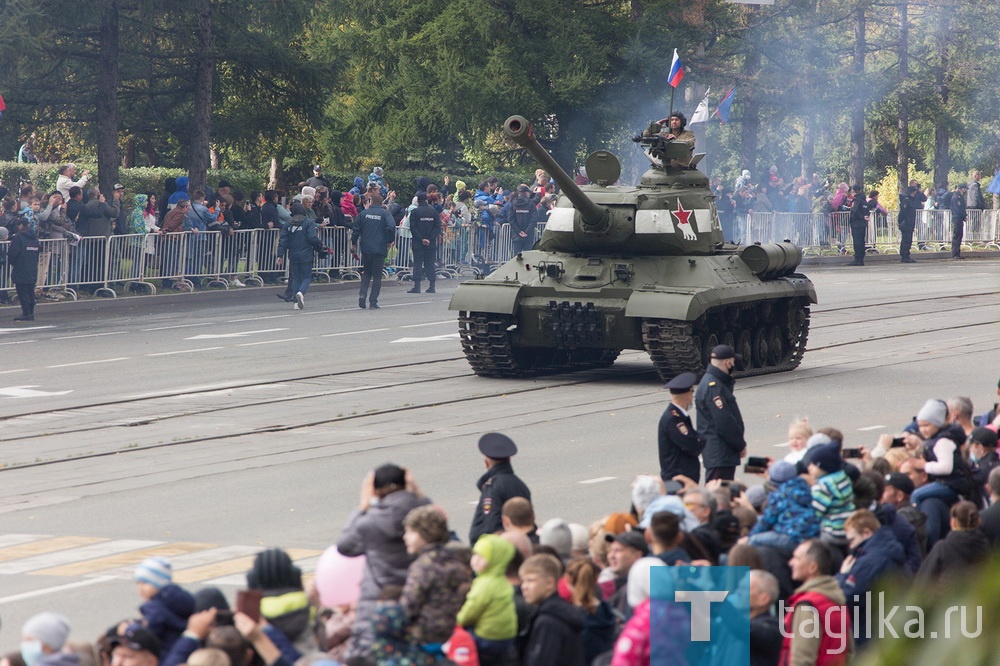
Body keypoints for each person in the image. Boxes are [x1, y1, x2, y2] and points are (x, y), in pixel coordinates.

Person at [337, 463, 430, 661]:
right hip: (419, 601)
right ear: (407, 484)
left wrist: (363, 504)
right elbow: (441, 527)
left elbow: (345, 546)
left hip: (377, 601)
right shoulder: (423, 517)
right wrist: (419, 494)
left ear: (375, 490)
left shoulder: (371, 522)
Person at [399, 506, 472, 656]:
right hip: (457, 633)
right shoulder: (458, 558)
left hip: (428, 638)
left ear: (423, 533)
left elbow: (409, 605)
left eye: (410, 532)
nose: (404, 537)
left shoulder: (423, 566)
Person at [834, 510, 904, 647]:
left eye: (852, 540)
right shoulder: (889, 550)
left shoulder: (869, 561)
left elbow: (848, 597)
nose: (850, 546)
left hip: (865, 630)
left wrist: (842, 576)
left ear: (866, 533)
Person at [780, 539, 853, 665]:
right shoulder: (837, 601)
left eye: (797, 558)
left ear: (812, 567)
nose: (790, 562)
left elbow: (802, 660)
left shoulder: (808, 605)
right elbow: (849, 652)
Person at [456, 534, 517, 664]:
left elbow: (470, 612)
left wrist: (457, 621)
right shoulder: (502, 581)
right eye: (475, 555)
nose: (476, 560)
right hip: (507, 638)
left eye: (482, 557)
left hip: (487, 639)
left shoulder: (484, 585)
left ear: (495, 559)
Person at [517, 554, 585, 666]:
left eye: (530, 581)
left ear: (549, 583)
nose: (524, 587)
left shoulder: (549, 622)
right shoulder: (559, 612)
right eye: (523, 581)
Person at [469, 432, 532, 545]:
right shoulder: (520, 484)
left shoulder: (493, 487)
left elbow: (489, 525)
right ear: (509, 460)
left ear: (487, 463)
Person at [696, 344, 747, 481]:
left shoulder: (714, 382)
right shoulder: (714, 386)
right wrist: (740, 445)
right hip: (720, 453)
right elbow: (725, 422)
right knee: (718, 495)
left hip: (720, 452)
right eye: (733, 361)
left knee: (722, 494)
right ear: (728, 362)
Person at [134, 557, 196, 656]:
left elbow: (147, 635)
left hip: (165, 652)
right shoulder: (181, 598)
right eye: (138, 583)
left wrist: (130, 629)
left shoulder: (154, 607)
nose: (140, 588)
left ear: (158, 582)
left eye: (145, 583)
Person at [916, 500, 989, 582]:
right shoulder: (986, 548)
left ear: (953, 522)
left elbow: (922, 583)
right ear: (979, 521)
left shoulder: (942, 548)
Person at [275, 202, 328, 310]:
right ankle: (301, 293)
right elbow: (312, 237)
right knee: (307, 276)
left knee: (295, 277)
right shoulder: (308, 222)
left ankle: (295, 301)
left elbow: (283, 241)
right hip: (306, 253)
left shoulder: (288, 224)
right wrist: (320, 244)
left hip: (293, 254)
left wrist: (280, 255)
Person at [351, 192, 396, 309]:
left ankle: (362, 294)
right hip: (380, 248)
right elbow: (391, 227)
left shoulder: (363, 213)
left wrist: (353, 243)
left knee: (366, 273)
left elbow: (356, 229)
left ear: (371, 201)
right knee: (377, 275)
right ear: (381, 203)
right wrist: (388, 240)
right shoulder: (385, 214)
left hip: (366, 247)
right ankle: (373, 301)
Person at [657, 371, 703, 484]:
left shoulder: (678, 415)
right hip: (676, 481)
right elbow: (692, 445)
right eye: (692, 392)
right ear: (687, 394)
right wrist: (705, 438)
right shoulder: (674, 419)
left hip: (681, 478)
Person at [406, 192, 441, 295]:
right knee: (429, 263)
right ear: (426, 200)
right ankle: (432, 286)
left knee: (417, 263)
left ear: (417, 201)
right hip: (431, 243)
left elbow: (413, 228)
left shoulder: (415, 212)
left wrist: (421, 239)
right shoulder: (433, 212)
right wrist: (430, 238)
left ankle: (417, 286)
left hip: (418, 243)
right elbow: (437, 226)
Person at [9, 216, 40, 321]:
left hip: (21, 268)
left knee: (22, 291)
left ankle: (26, 313)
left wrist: (12, 262)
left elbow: (13, 254)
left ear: (21, 226)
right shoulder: (34, 238)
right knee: (30, 291)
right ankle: (30, 312)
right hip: (32, 267)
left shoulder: (18, 238)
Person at [749, 570, 782, 666]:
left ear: (764, 599)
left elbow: (746, 630)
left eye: (745, 588)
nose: (738, 592)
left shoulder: (772, 627)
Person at [897, 185, 922, 263]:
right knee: (906, 240)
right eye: (914, 192)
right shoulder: (906, 201)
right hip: (906, 223)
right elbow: (902, 213)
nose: (915, 193)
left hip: (910, 223)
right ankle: (904, 255)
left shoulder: (911, 200)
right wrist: (900, 222)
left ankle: (907, 255)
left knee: (908, 240)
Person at [847, 184, 870, 266]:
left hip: (856, 223)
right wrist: (865, 217)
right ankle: (861, 259)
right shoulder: (864, 200)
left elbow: (854, 211)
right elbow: (867, 211)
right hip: (863, 223)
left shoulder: (856, 200)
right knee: (861, 241)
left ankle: (857, 259)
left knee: (857, 242)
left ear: (855, 191)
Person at [950, 183, 968, 259]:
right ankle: (955, 253)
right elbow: (958, 209)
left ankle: (957, 253)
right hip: (957, 218)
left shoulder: (959, 196)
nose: (965, 191)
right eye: (964, 189)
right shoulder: (956, 197)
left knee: (959, 235)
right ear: (961, 188)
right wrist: (963, 216)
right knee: (957, 236)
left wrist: (964, 216)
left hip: (959, 218)